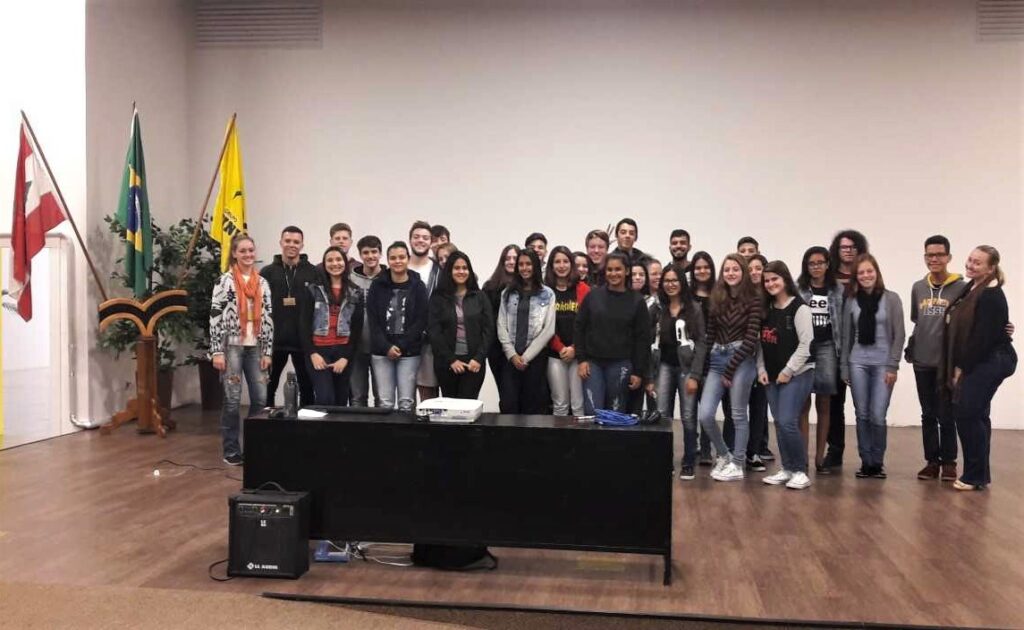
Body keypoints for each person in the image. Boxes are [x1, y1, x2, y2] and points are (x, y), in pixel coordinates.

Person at [943, 246, 1017, 491]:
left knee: (967, 413)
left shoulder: (991, 294)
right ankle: (979, 475)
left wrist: (961, 368)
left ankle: (974, 476)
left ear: (990, 268)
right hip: (982, 359)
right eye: (970, 260)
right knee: (977, 415)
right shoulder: (972, 287)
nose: (970, 265)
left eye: (977, 262)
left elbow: (982, 340)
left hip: (991, 360)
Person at [696, 253, 762, 482]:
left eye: (735, 269)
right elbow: (710, 334)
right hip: (717, 358)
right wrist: (706, 367)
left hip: (741, 360)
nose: (731, 273)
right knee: (705, 414)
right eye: (727, 269)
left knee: (738, 414)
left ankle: (737, 464)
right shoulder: (717, 297)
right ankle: (724, 455)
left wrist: (730, 369)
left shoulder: (754, 299)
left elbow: (751, 338)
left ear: (743, 272)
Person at [209, 233, 274, 466]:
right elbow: (215, 317)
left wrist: (267, 351)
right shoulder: (223, 281)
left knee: (261, 398)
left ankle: (255, 447)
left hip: (256, 346)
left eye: (251, 250)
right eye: (243, 251)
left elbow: (268, 317)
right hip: (232, 347)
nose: (248, 254)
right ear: (234, 254)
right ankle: (231, 450)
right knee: (232, 400)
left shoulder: (263, 283)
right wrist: (217, 351)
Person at [906, 235, 966, 481]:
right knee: (928, 413)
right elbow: (917, 320)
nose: (934, 259)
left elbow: (968, 323)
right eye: (930, 255)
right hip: (922, 361)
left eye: (939, 254)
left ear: (949, 257)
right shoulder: (918, 287)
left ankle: (949, 462)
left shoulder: (962, 288)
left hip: (946, 363)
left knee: (946, 414)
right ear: (925, 257)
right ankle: (932, 462)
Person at [840, 254, 904, 479]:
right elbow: (847, 336)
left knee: (878, 415)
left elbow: (899, 335)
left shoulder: (892, 299)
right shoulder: (851, 301)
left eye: (870, 271)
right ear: (856, 277)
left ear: (877, 272)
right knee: (862, 414)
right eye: (861, 272)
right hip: (857, 362)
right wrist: (844, 367)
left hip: (883, 365)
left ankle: (877, 461)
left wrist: (893, 366)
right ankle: (866, 462)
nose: (866, 275)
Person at [757, 261, 815, 490]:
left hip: (798, 374)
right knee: (780, 423)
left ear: (785, 279)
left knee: (789, 421)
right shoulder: (766, 309)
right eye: (767, 280)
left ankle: (800, 470)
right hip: (771, 376)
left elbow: (806, 345)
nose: (770, 284)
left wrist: (788, 371)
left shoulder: (800, 308)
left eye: (775, 279)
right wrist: (761, 369)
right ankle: (787, 468)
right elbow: (760, 344)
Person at [575, 252, 651, 414]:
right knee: (592, 411)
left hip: (621, 364)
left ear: (627, 271)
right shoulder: (593, 296)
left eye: (618, 269)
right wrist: (581, 359)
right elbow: (580, 327)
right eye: (609, 269)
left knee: (615, 413)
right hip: (593, 364)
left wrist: (638, 372)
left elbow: (642, 339)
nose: (613, 273)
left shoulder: (637, 301)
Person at [823, 229, 869, 469]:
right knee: (834, 403)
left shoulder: (866, 275)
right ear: (837, 250)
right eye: (844, 247)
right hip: (834, 349)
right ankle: (835, 451)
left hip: (863, 347)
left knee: (865, 407)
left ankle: (870, 457)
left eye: (853, 247)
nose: (848, 251)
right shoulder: (829, 277)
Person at [655, 264, 706, 480]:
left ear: (682, 282)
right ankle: (663, 460)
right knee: (662, 415)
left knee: (688, 416)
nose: (671, 284)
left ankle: (688, 461)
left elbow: (702, 343)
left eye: (674, 280)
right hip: (664, 366)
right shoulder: (658, 308)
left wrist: (695, 375)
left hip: (687, 368)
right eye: (667, 281)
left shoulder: (694, 308)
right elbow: (650, 340)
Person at [797, 246, 843, 473]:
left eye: (820, 263)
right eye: (811, 263)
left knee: (824, 403)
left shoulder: (837, 290)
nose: (816, 267)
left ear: (827, 264)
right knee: (803, 403)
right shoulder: (798, 289)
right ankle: (803, 457)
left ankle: (819, 458)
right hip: (804, 347)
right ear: (806, 266)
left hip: (827, 347)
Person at [367, 241, 428, 411]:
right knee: (385, 402)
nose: (398, 261)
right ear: (388, 260)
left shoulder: (418, 286)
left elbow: (421, 320)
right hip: (382, 351)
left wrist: (401, 345)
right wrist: (386, 347)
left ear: (408, 259)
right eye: (393, 258)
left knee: (406, 402)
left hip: (409, 352)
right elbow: (373, 320)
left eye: (402, 257)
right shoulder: (377, 285)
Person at [260, 226, 316, 407]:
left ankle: (306, 421)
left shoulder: (313, 272)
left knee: (307, 386)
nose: (292, 245)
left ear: (302, 245)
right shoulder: (267, 272)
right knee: (268, 385)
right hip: (274, 340)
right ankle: (266, 419)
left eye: (296, 242)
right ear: (281, 242)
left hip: (303, 341)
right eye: (288, 241)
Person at [299, 247, 363, 406]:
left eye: (339, 259)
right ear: (324, 264)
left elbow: (356, 329)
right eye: (330, 260)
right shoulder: (313, 290)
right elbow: (303, 325)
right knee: (325, 398)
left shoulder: (355, 292)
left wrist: (345, 357)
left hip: (343, 351)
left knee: (341, 401)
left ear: (345, 262)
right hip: (318, 351)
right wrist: (312, 353)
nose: (335, 263)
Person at [496, 248, 556, 413]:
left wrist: (526, 357)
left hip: (535, 359)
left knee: (532, 407)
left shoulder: (548, 294)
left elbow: (548, 330)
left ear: (535, 266)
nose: (524, 268)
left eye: (528, 264)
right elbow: (501, 325)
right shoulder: (507, 293)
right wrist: (512, 354)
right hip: (511, 358)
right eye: (521, 264)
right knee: (509, 405)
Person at [428, 251, 493, 399]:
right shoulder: (438, 297)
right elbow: (434, 331)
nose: (461, 271)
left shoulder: (480, 297)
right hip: (447, 363)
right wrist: (451, 360)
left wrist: (479, 358)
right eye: (457, 268)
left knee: (469, 405)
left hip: (474, 363)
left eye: (465, 268)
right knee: (450, 406)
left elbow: (488, 330)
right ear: (449, 271)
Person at [544, 246, 591, 416]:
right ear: (551, 265)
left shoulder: (583, 289)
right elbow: (544, 325)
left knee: (578, 404)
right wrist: (561, 348)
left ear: (571, 264)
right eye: (557, 262)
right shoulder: (545, 291)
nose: (562, 265)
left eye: (565, 261)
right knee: (560, 404)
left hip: (578, 354)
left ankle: (578, 434)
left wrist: (574, 348)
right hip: (555, 354)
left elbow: (588, 324)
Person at [482, 244, 521, 409]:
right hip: (498, 350)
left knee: (522, 396)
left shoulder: (528, 287)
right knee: (507, 397)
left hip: (522, 349)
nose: (511, 262)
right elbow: (487, 320)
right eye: (508, 258)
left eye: (515, 258)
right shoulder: (490, 287)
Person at [689, 250, 718, 466]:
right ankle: (693, 446)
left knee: (706, 406)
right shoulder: (687, 295)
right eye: (698, 267)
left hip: (713, 355)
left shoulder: (719, 294)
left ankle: (706, 449)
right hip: (691, 354)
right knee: (690, 406)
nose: (702, 271)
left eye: (706, 267)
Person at [349, 235, 385, 407]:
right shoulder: (350, 279)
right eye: (366, 252)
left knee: (382, 397)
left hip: (381, 348)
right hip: (356, 347)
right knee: (357, 397)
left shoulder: (388, 278)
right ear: (360, 254)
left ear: (380, 253)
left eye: (374, 252)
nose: (370, 256)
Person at [407, 221, 441, 402]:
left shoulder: (439, 270)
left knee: (428, 395)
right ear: (410, 239)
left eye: (425, 238)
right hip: (403, 341)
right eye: (416, 237)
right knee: (405, 395)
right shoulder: (399, 266)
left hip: (429, 342)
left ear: (431, 242)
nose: (420, 240)